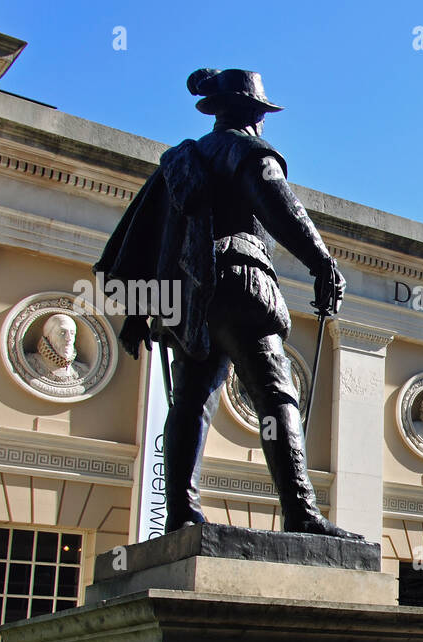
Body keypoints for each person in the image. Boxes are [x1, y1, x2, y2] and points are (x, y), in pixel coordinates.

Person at [99, 67, 357, 539]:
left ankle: (180, 511)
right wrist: (322, 263)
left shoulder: (182, 161)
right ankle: (300, 511)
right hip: (240, 280)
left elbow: (152, 235)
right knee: (276, 395)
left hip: (189, 296)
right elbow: (278, 204)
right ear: (256, 114)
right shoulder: (247, 151)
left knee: (191, 400)